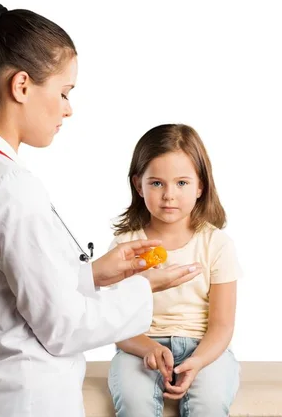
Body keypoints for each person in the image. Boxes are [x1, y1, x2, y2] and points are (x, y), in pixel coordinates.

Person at [0, 0, 201, 417]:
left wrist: (95, 274)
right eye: (65, 92)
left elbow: (8, 292)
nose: (69, 108)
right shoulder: (8, 187)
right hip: (22, 400)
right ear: (21, 86)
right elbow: (63, 328)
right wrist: (145, 287)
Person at [108, 124, 242, 416]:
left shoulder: (217, 245)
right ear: (138, 185)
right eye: (157, 183)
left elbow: (222, 324)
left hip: (204, 349)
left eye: (182, 183)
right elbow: (116, 321)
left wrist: (199, 360)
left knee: (209, 402)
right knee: (134, 403)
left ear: (200, 186)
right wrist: (146, 348)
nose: (169, 195)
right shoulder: (125, 246)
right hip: (140, 348)